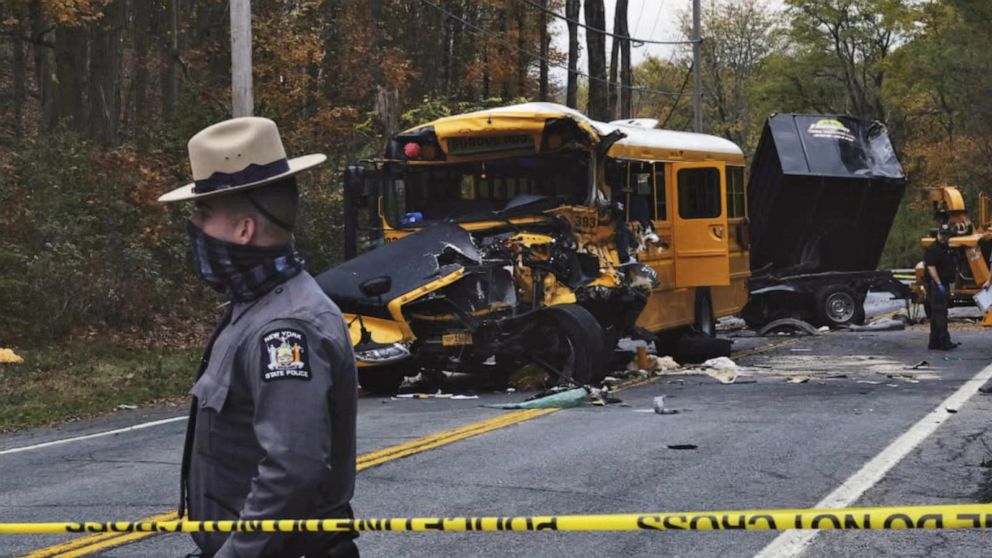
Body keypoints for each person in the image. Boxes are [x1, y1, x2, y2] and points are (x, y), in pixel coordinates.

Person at [158, 117, 359, 557]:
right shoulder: (256, 307)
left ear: (244, 230)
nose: (193, 225)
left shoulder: (285, 329)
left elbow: (292, 471)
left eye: (204, 213)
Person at [924, 222, 958, 351]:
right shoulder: (933, 249)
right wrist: (938, 283)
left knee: (936, 315)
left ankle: (934, 342)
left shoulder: (946, 247)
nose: (944, 237)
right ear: (938, 233)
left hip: (943, 283)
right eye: (943, 235)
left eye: (947, 235)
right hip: (937, 285)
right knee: (940, 314)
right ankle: (944, 341)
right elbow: (931, 268)